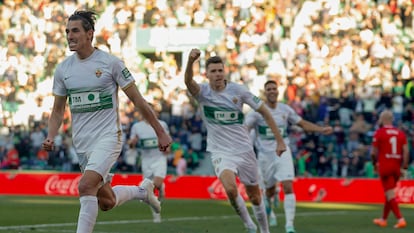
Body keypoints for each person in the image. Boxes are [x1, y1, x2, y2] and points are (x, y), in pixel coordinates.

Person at [41, 10, 172, 233]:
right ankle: (142, 192)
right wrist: (51, 135)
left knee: (85, 186)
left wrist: (160, 131)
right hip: (82, 143)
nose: (69, 36)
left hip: (108, 137)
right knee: (107, 201)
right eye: (67, 32)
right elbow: (57, 110)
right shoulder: (63, 69)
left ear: (89, 34)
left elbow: (138, 101)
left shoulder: (111, 64)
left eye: (75, 31)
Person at [184, 48, 287, 233]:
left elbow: (264, 111)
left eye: (220, 70)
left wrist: (280, 140)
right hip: (221, 151)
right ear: (206, 74)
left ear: (225, 72)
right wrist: (191, 61)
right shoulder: (203, 93)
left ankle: (264, 230)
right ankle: (249, 225)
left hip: (244, 150)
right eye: (213, 71)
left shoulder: (238, 91)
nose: (217, 74)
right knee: (230, 189)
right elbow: (188, 81)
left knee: (255, 196)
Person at [245, 80, 333, 233]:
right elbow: (245, 128)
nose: (272, 91)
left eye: (274, 88)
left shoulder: (285, 109)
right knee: (269, 190)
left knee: (287, 185)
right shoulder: (257, 112)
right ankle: (269, 202)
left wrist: (320, 129)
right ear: (265, 93)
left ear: (278, 91)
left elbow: (302, 123)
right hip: (265, 156)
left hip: (283, 152)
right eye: (269, 89)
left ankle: (289, 226)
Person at [128, 106, 171, 223]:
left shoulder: (162, 124)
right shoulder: (137, 127)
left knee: (156, 184)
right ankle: (156, 213)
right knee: (148, 190)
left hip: (159, 158)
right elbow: (131, 144)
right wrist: (132, 143)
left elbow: (168, 142)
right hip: (146, 161)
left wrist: (167, 148)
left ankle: (160, 186)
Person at [371, 110, 408, 229]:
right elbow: (406, 151)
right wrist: (404, 166)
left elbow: (373, 153)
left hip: (385, 166)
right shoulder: (400, 133)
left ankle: (400, 219)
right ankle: (383, 219)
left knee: (390, 194)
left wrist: (374, 164)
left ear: (382, 119)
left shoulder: (380, 133)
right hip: (396, 167)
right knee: (389, 193)